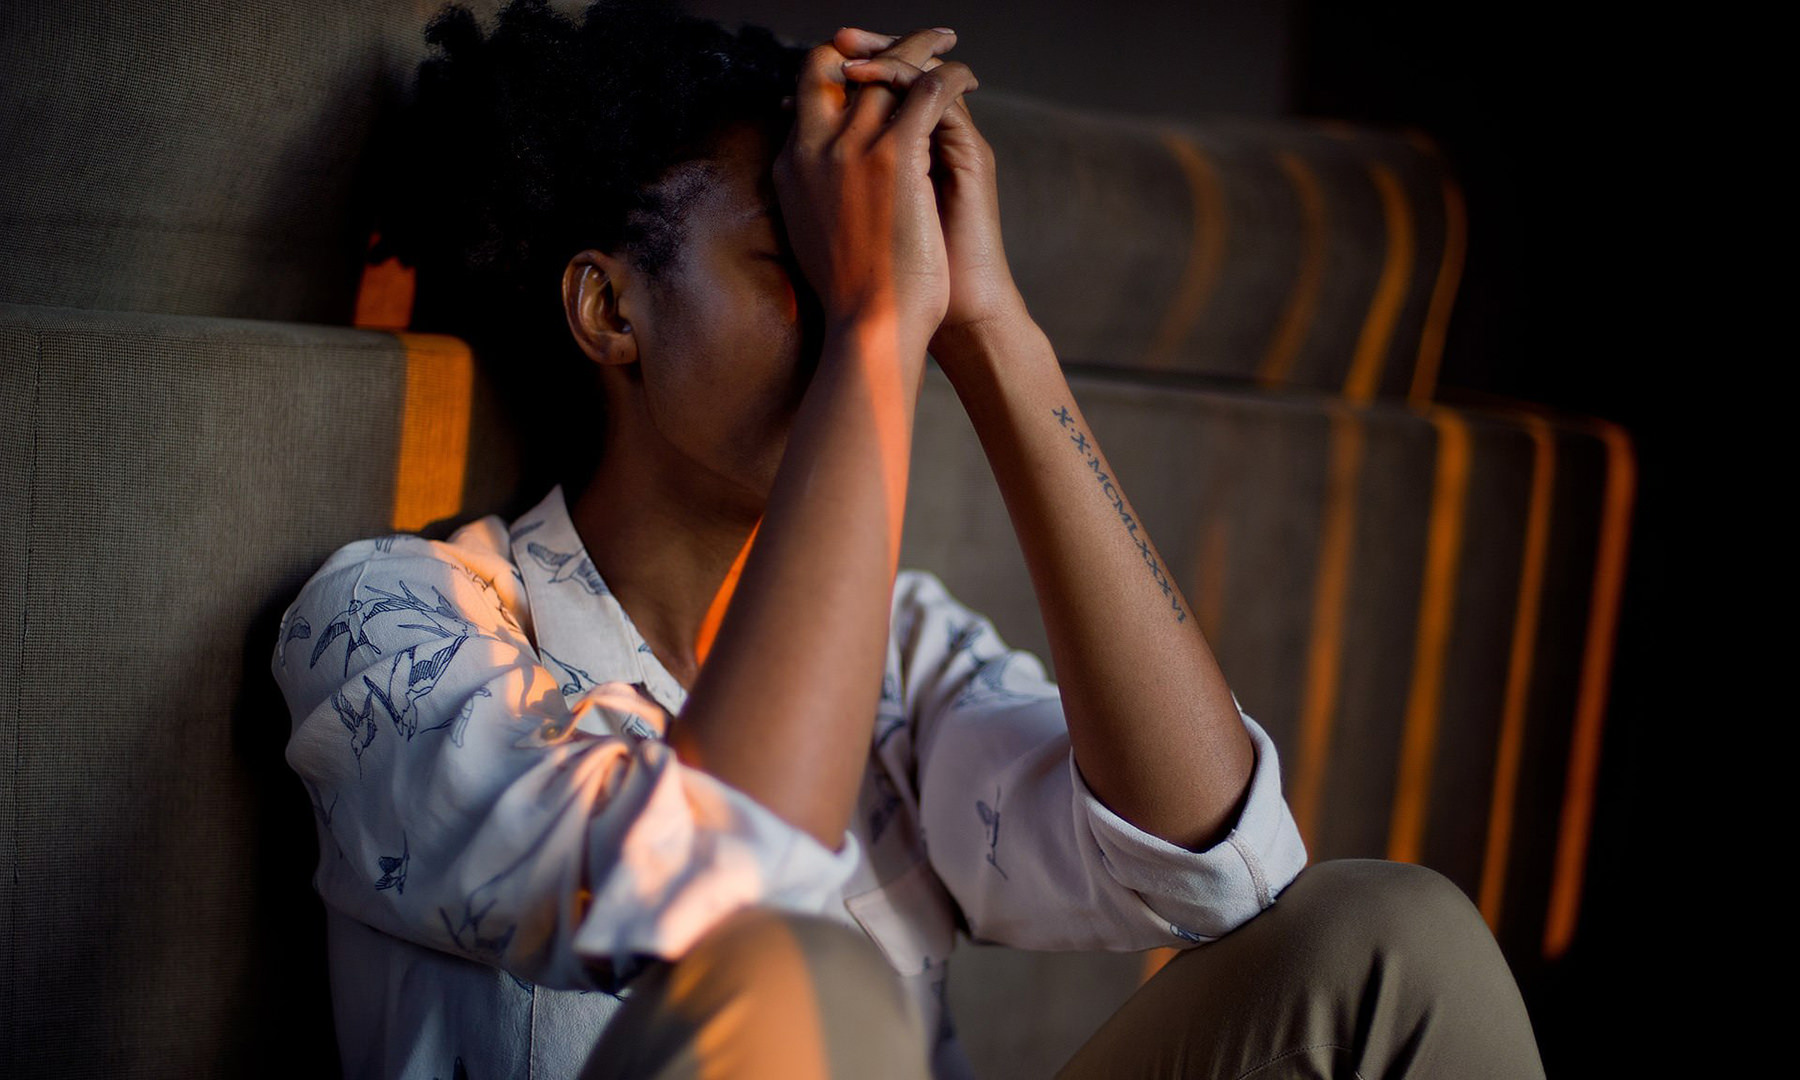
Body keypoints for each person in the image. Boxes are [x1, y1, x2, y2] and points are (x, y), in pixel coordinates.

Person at [272, 2, 1547, 1076]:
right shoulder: (396, 627)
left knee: (1390, 940)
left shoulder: (905, 644)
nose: (855, 301)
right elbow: (736, 881)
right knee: (792, 972)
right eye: (801, 261)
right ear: (611, 310)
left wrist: (989, 325)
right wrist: (880, 328)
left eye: (874, 266)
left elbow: (1226, 868)